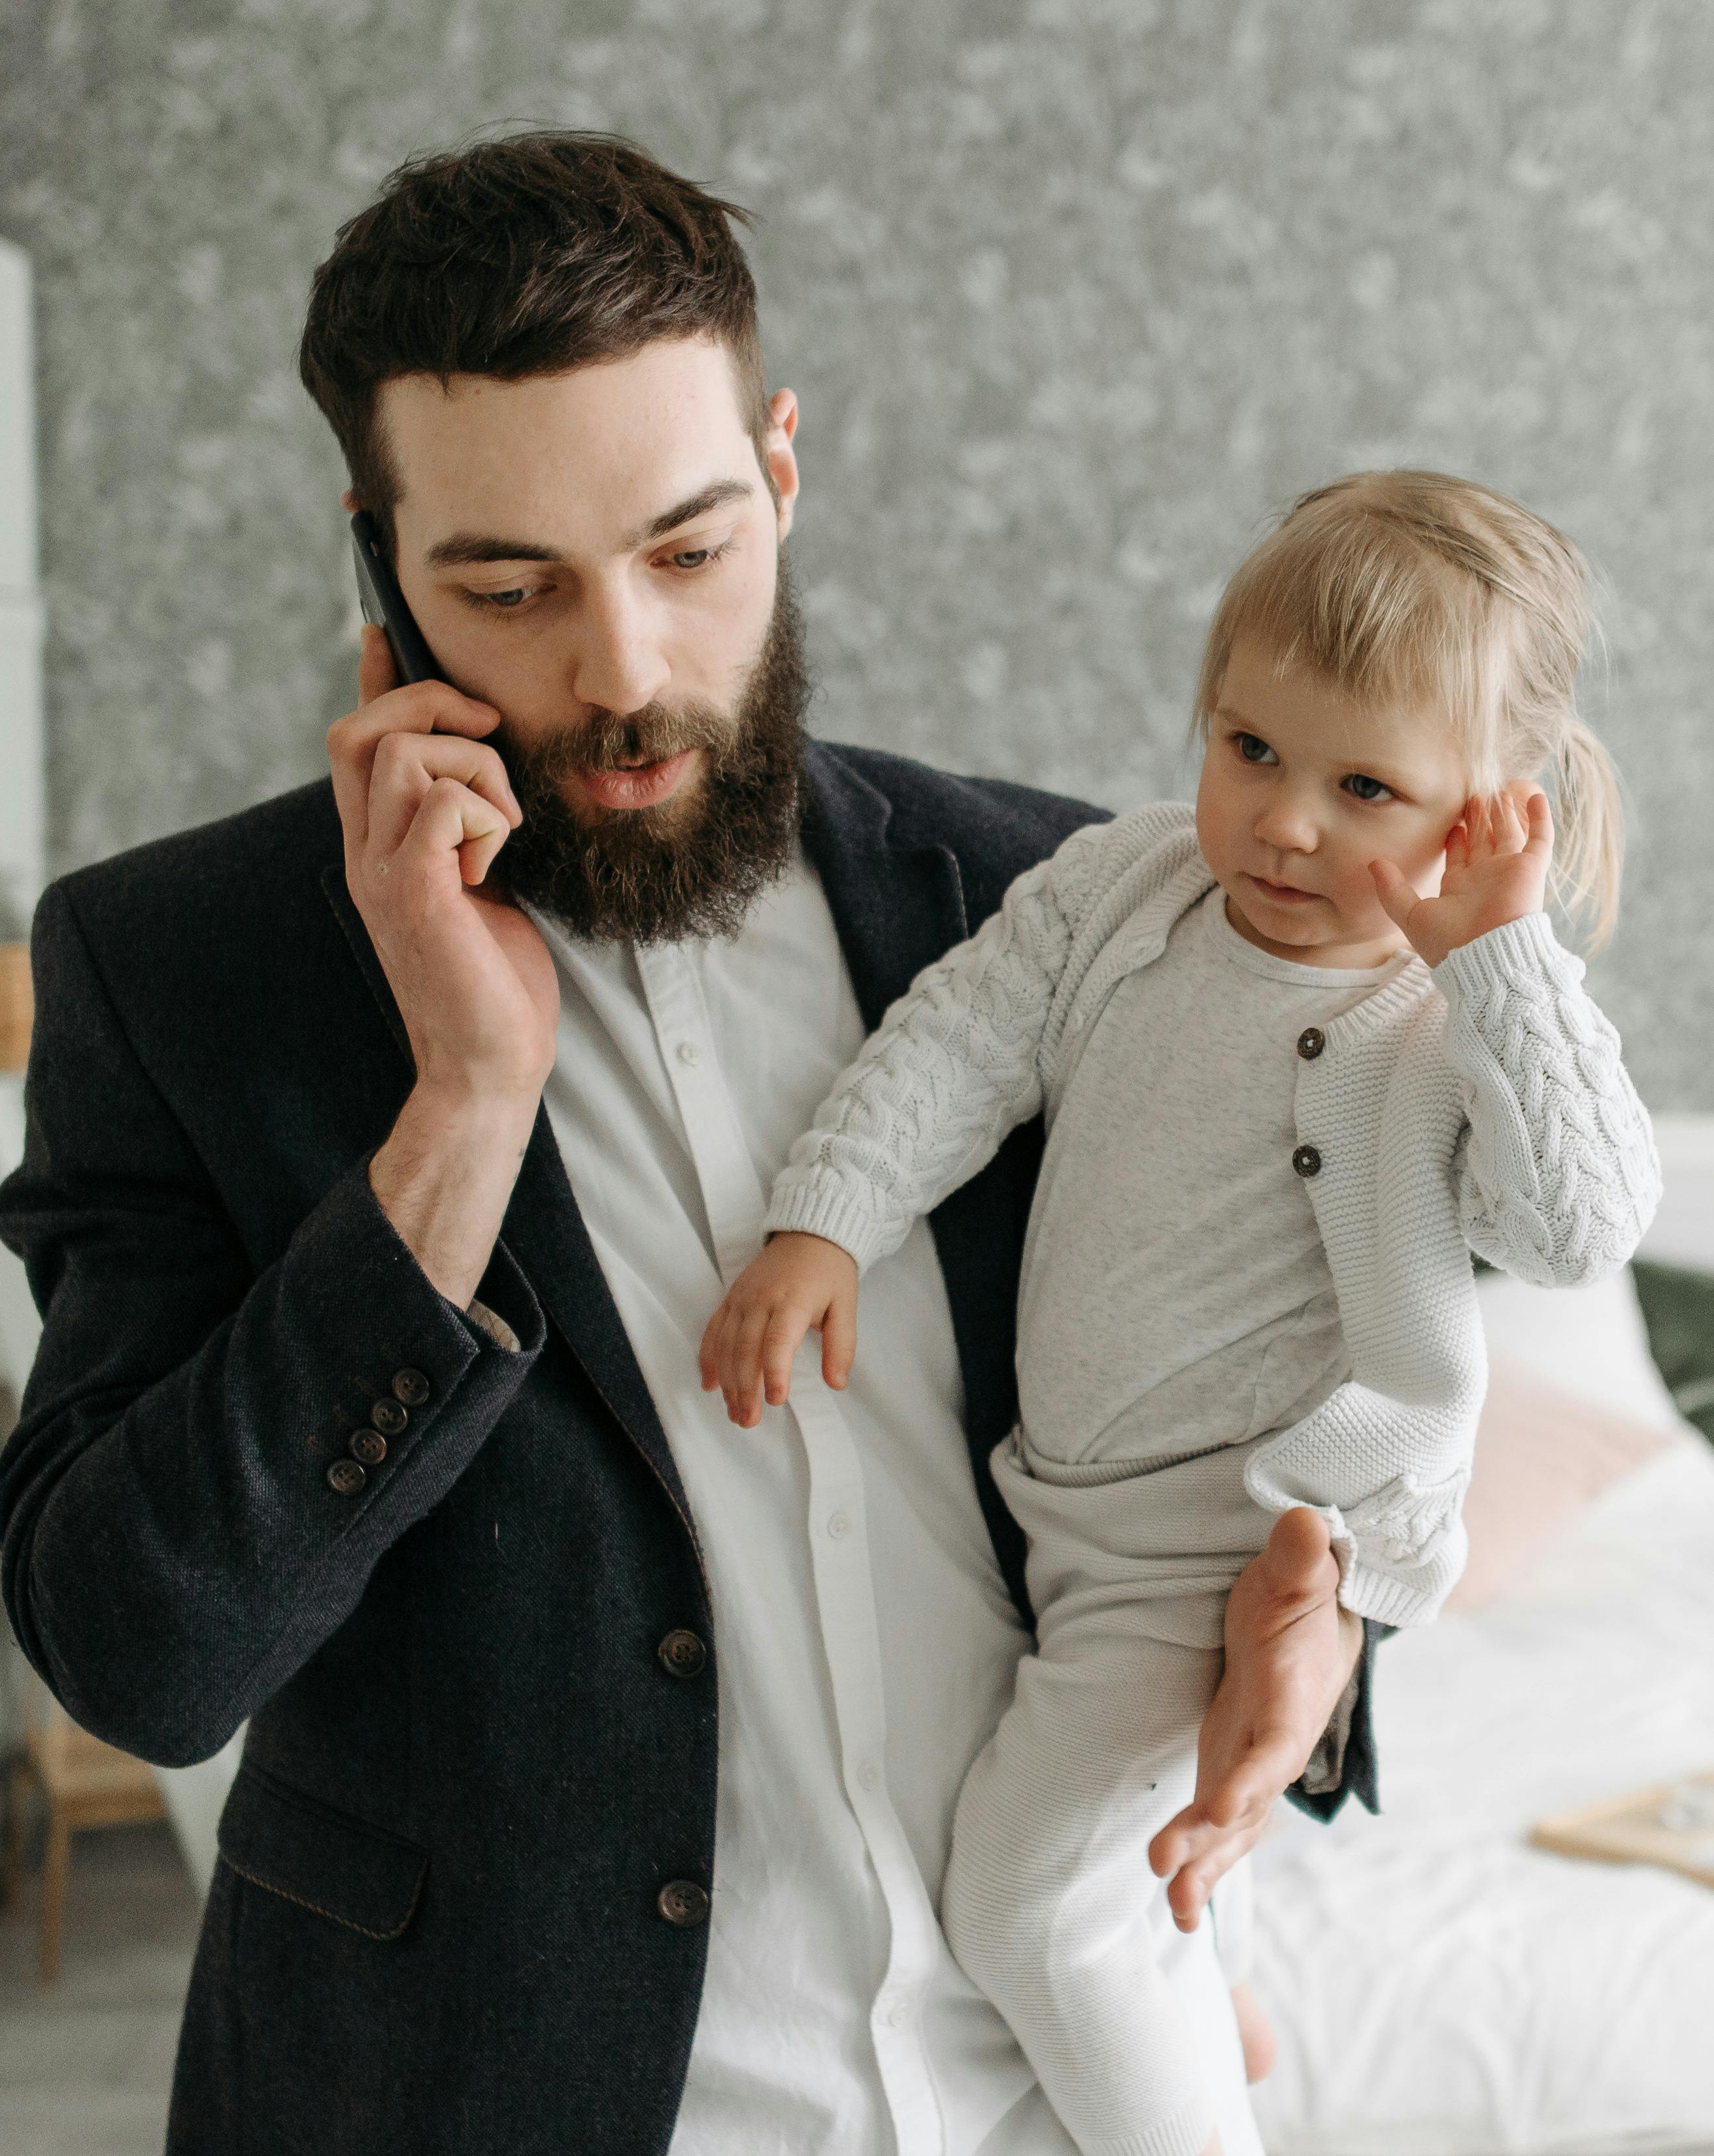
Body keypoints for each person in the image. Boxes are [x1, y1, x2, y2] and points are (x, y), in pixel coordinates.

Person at [0, 131, 1375, 2156]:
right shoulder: (176, 968)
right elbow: (143, 1656)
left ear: (782, 471)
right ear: (379, 562)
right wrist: (461, 1113)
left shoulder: (1069, 906)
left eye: (691, 552)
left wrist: (1330, 1626)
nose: (625, 671)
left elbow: (1264, 1377)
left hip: (1046, 2096)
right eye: (509, 589)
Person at [703, 472, 1664, 2156]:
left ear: (1485, 818)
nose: (1285, 823)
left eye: (1364, 789)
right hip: (1068, 1514)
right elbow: (960, 1039)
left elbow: (1582, 1228)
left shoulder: (1447, 1022)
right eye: (1251, 749)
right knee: (1137, 1860)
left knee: (1026, 1901)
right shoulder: (1124, 887)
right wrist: (829, 1217)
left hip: (1237, 1544)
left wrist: (1503, 958)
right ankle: (1211, 1975)